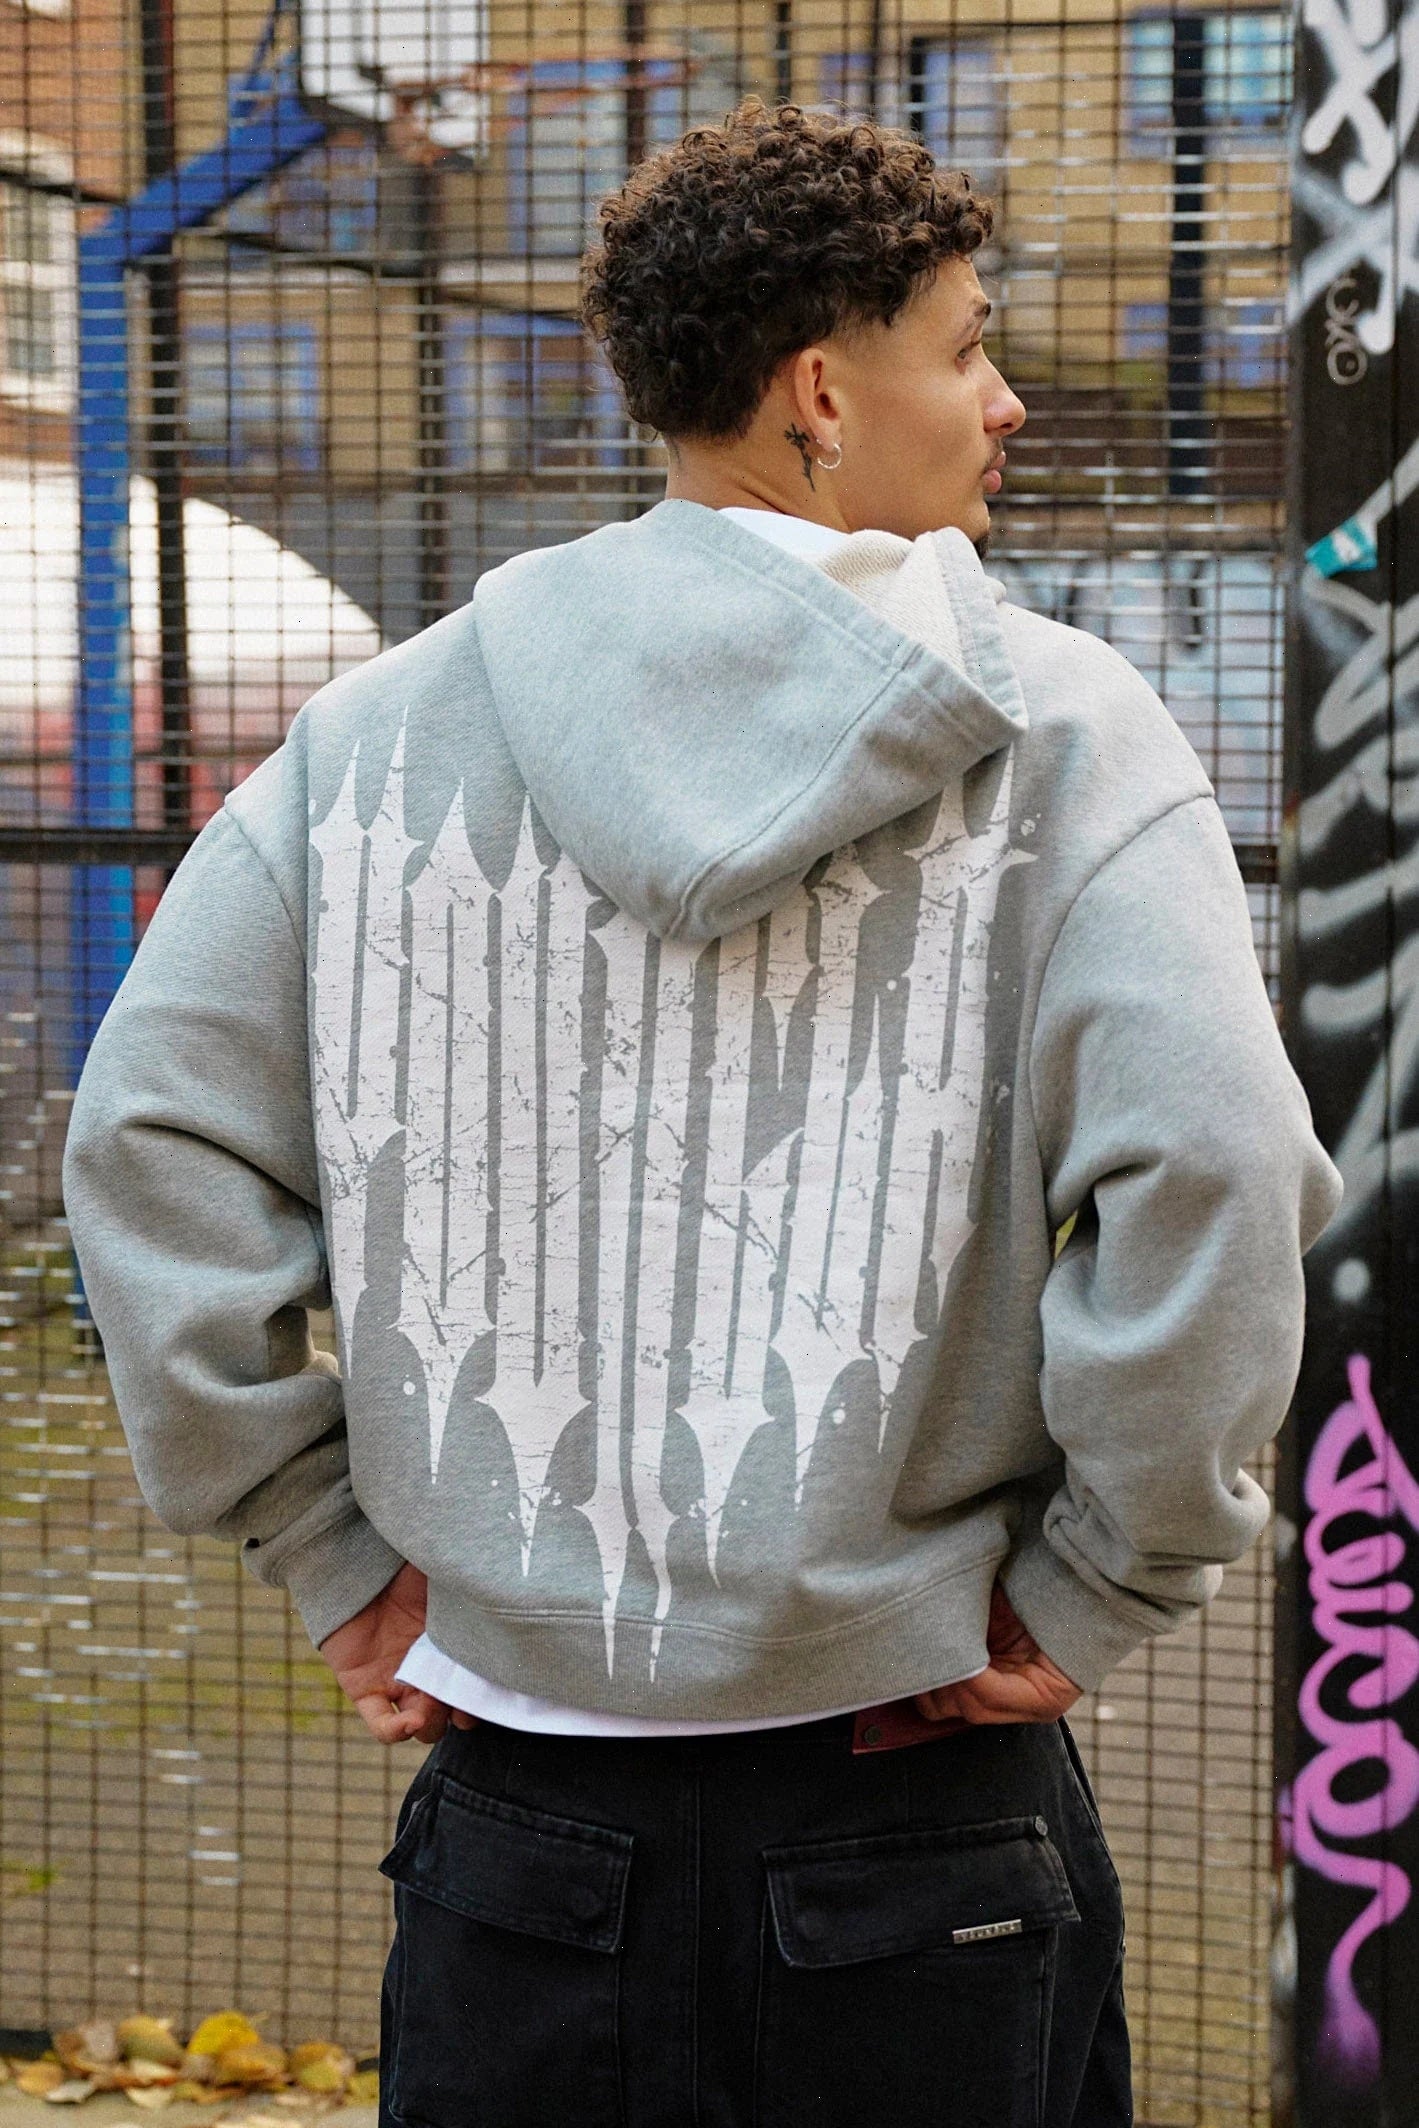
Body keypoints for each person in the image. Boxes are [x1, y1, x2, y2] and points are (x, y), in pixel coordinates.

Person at [62, 96, 1341, 2128]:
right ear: (823, 393)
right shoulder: (1062, 736)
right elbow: (1214, 1167)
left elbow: (148, 1143)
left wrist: (323, 1543)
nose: (1005, 401)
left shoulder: (371, 741)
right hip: (916, 1795)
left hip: (515, 1819)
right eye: (968, 347)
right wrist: (1102, 1576)